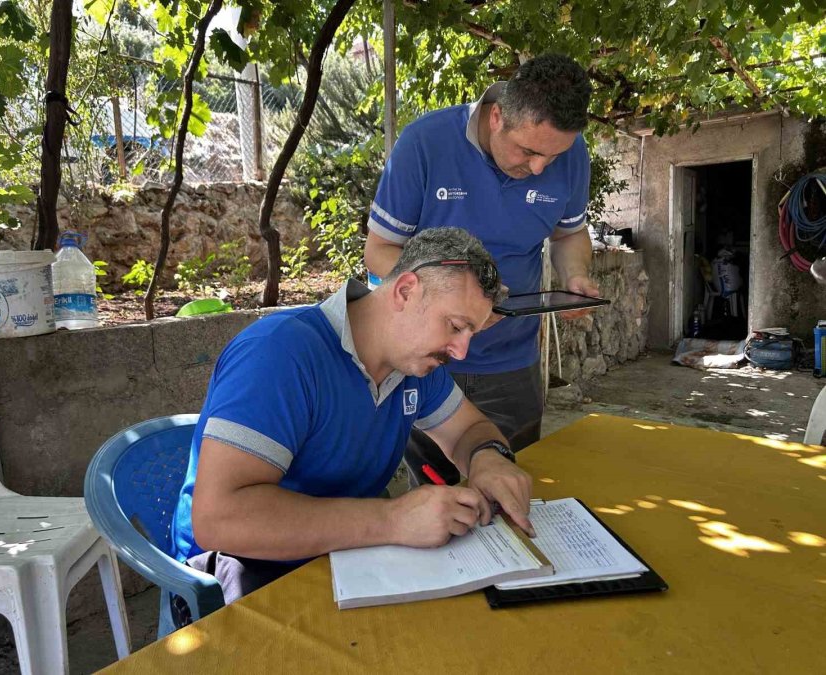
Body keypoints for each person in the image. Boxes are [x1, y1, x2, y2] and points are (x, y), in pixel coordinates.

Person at [171, 227, 535, 605]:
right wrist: (392, 520)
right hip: (242, 571)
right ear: (406, 291)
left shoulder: (415, 366)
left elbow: (469, 430)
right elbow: (219, 519)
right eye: (456, 327)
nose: (461, 351)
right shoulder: (278, 354)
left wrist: (488, 458)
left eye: (471, 333)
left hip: (348, 556)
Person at [363, 53, 598, 486]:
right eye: (528, 150)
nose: (539, 168)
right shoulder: (424, 144)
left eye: (554, 155)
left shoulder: (570, 151)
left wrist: (576, 275)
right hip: (430, 363)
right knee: (436, 494)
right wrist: (457, 300)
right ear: (496, 117)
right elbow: (379, 250)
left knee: (515, 485)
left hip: (514, 362)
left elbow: (568, 235)